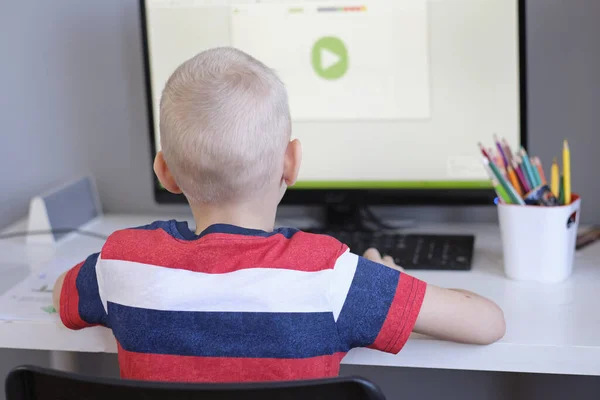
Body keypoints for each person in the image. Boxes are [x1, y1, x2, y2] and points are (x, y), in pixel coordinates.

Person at [53, 47, 505, 383]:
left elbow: (63, 298)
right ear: (292, 162)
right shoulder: (330, 276)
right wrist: (379, 276)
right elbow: (487, 323)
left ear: (164, 172)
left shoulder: (122, 262)